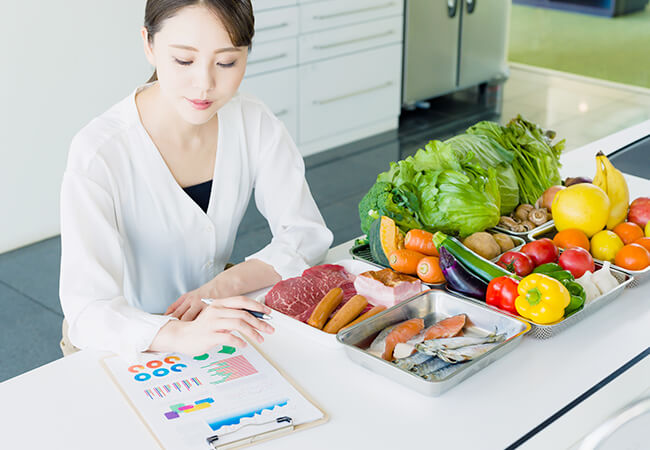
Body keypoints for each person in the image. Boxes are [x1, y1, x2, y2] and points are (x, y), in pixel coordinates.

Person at [58, 0, 333, 360]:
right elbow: (87, 311)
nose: (204, 84)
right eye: (184, 61)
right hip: (123, 338)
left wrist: (222, 286)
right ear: (149, 45)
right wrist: (176, 334)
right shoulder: (100, 152)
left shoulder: (254, 122)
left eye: (226, 62)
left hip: (213, 319)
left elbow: (307, 235)